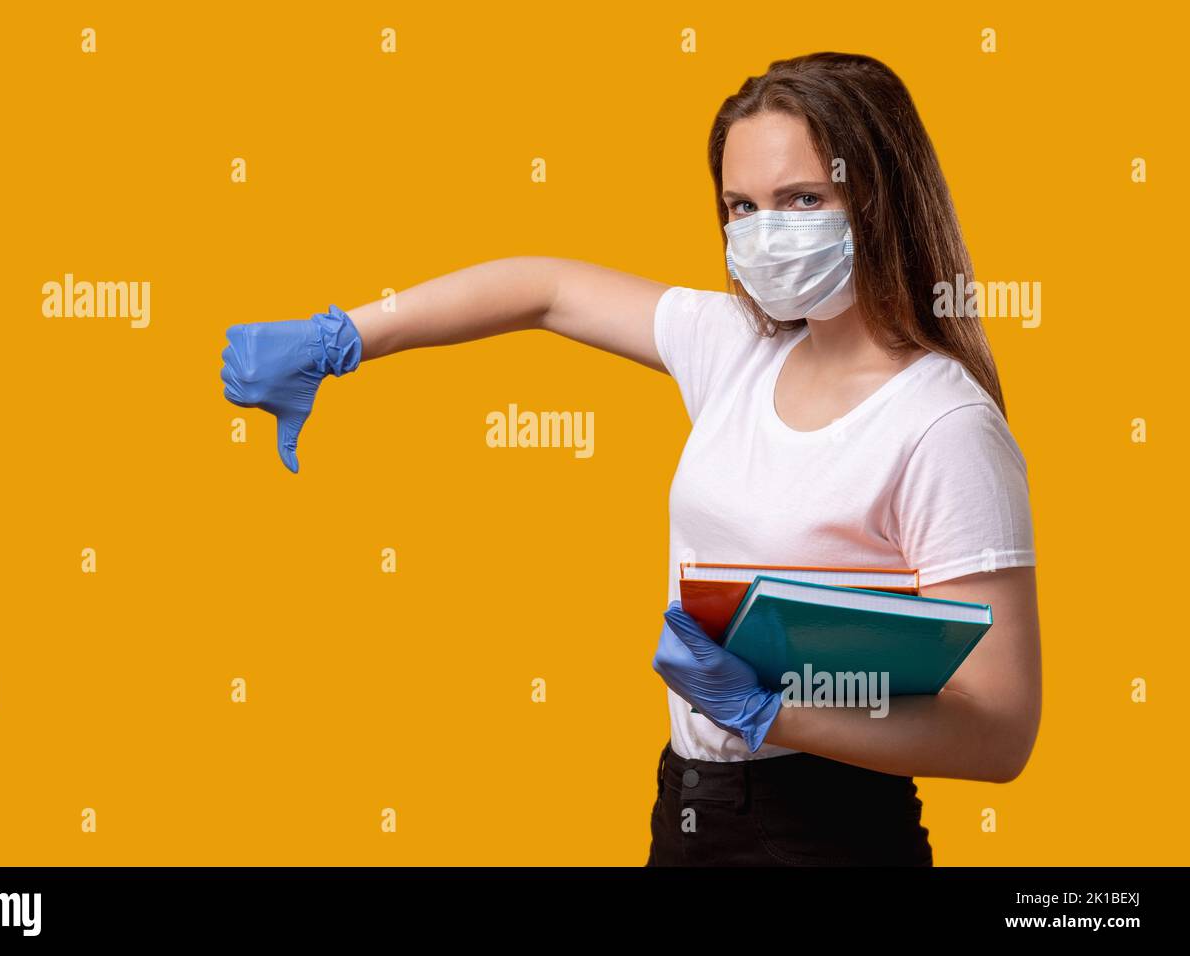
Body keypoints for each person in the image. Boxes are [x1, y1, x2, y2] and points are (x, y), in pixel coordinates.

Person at [219, 52, 1041, 867]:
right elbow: (545, 289)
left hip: (828, 829)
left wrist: (769, 713)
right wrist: (345, 338)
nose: (765, 232)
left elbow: (1000, 729)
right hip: (692, 804)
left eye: (800, 199)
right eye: (741, 207)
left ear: (878, 195)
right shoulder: (740, 348)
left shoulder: (943, 424)